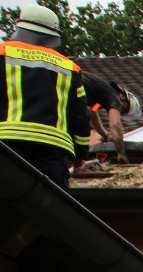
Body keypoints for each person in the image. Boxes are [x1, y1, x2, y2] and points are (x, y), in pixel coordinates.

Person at [0, 5, 90, 189]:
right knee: (49, 211)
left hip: (7, 146)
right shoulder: (70, 68)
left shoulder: (3, 53)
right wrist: (80, 155)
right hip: (53, 153)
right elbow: (81, 117)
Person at [81, 74, 140, 163]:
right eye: (124, 109)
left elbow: (93, 114)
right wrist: (121, 153)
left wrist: (105, 135)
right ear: (123, 97)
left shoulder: (99, 99)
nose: (120, 110)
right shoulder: (114, 97)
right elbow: (115, 125)